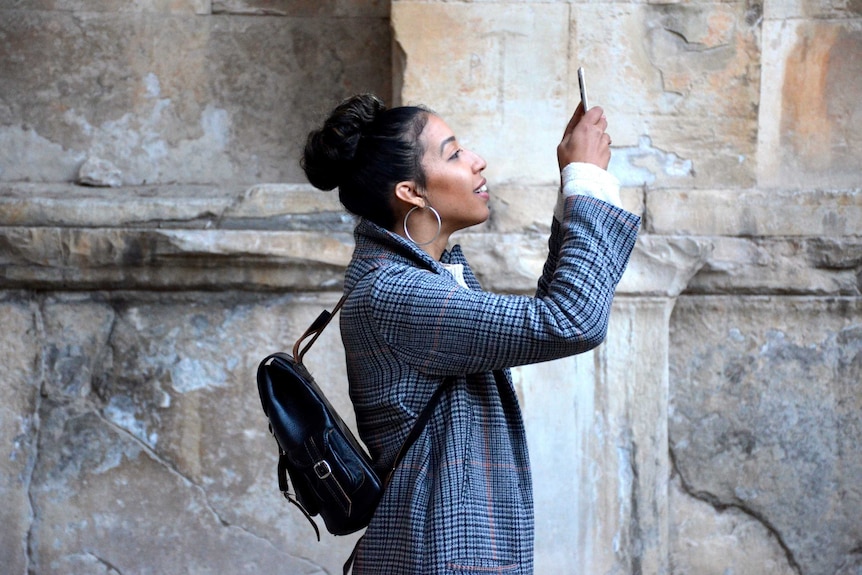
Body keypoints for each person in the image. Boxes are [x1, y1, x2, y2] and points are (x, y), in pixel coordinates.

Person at [301, 93, 640, 574]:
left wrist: (574, 186)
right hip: (442, 553)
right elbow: (572, 319)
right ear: (412, 193)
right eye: (454, 153)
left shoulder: (427, 275)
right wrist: (586, 180)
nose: (477, 161)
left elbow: (551, 316)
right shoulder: (397, 292)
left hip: (447, 547)